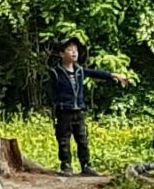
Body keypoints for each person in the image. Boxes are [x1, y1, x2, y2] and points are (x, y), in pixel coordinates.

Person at [46, 37, 128, 177]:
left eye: (75, 50)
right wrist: (57, 103)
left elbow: (96, 73)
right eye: (70, 50)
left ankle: (86, 165)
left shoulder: (80, 71)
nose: (74, 53)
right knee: (63, 139)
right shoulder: (55, 73)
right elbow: (49, 92)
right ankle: (66, 165)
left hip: (79, 111)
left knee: (82, 139)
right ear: (61, 54)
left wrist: (113, 75)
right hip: (64, 111)